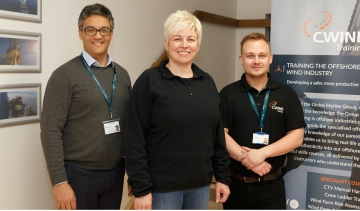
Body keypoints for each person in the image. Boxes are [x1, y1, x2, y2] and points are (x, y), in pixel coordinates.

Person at [125, 10, 231, 210]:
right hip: (162, 189)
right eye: (177, 39)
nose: (184, 45)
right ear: (166, 44)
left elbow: (217, 136)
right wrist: (141, 188)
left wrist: (223, 177)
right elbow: (134, 138)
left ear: (198, 45)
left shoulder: (207, 82)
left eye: (191, 39)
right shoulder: (149, 81)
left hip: (200, 186)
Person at [40, 3, 131, 210]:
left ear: (111, 33)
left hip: (116, 172)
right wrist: (59, 182)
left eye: (104, 30)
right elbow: (50, 130)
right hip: (79, 175)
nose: (98, 36)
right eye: (90, 29)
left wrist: (134, 173)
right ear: (80, 33)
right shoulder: (64, 76)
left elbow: (131, 127)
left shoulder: (123, 75)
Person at [219, 32, 306, 209]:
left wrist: (262, 153)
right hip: (236, 185)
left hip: (272, 187)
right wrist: (248, 159)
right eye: (250, 56)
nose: (256, 61)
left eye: (262, 55)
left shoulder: (287, 94)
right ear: (241, 59)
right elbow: (220, 134)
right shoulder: (227, 94)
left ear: (270, 58)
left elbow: (297, 136)